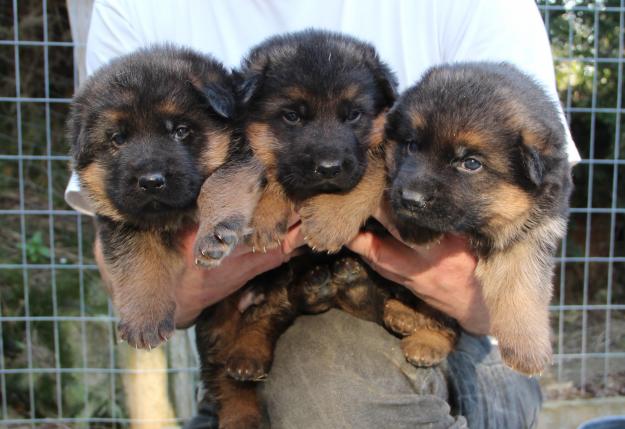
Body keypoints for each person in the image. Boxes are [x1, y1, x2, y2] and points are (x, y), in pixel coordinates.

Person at [65, 1, 580, 427]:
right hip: (258, 321)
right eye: (290, 116)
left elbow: (536, 203)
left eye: (355, 115)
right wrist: (179, 285)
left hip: (462, 347)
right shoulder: (135, 10)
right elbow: (122, 233)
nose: (329, 153)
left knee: (330, 387)